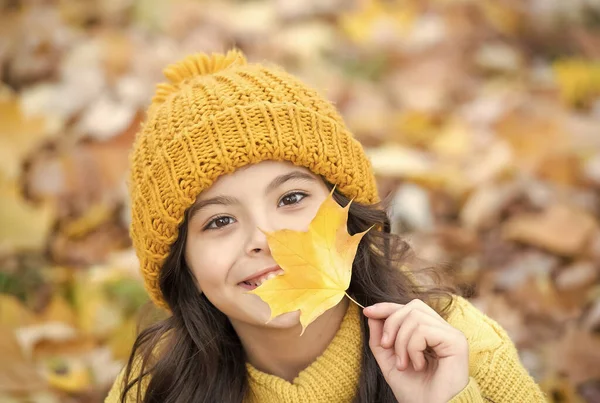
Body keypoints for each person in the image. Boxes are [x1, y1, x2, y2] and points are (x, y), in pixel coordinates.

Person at [105, 49, 546, 403]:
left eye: (292, 198)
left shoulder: (456, 346)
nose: (267, 238)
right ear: (183, 266)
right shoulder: (157, 386)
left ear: (346, 208)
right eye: (220, 221)